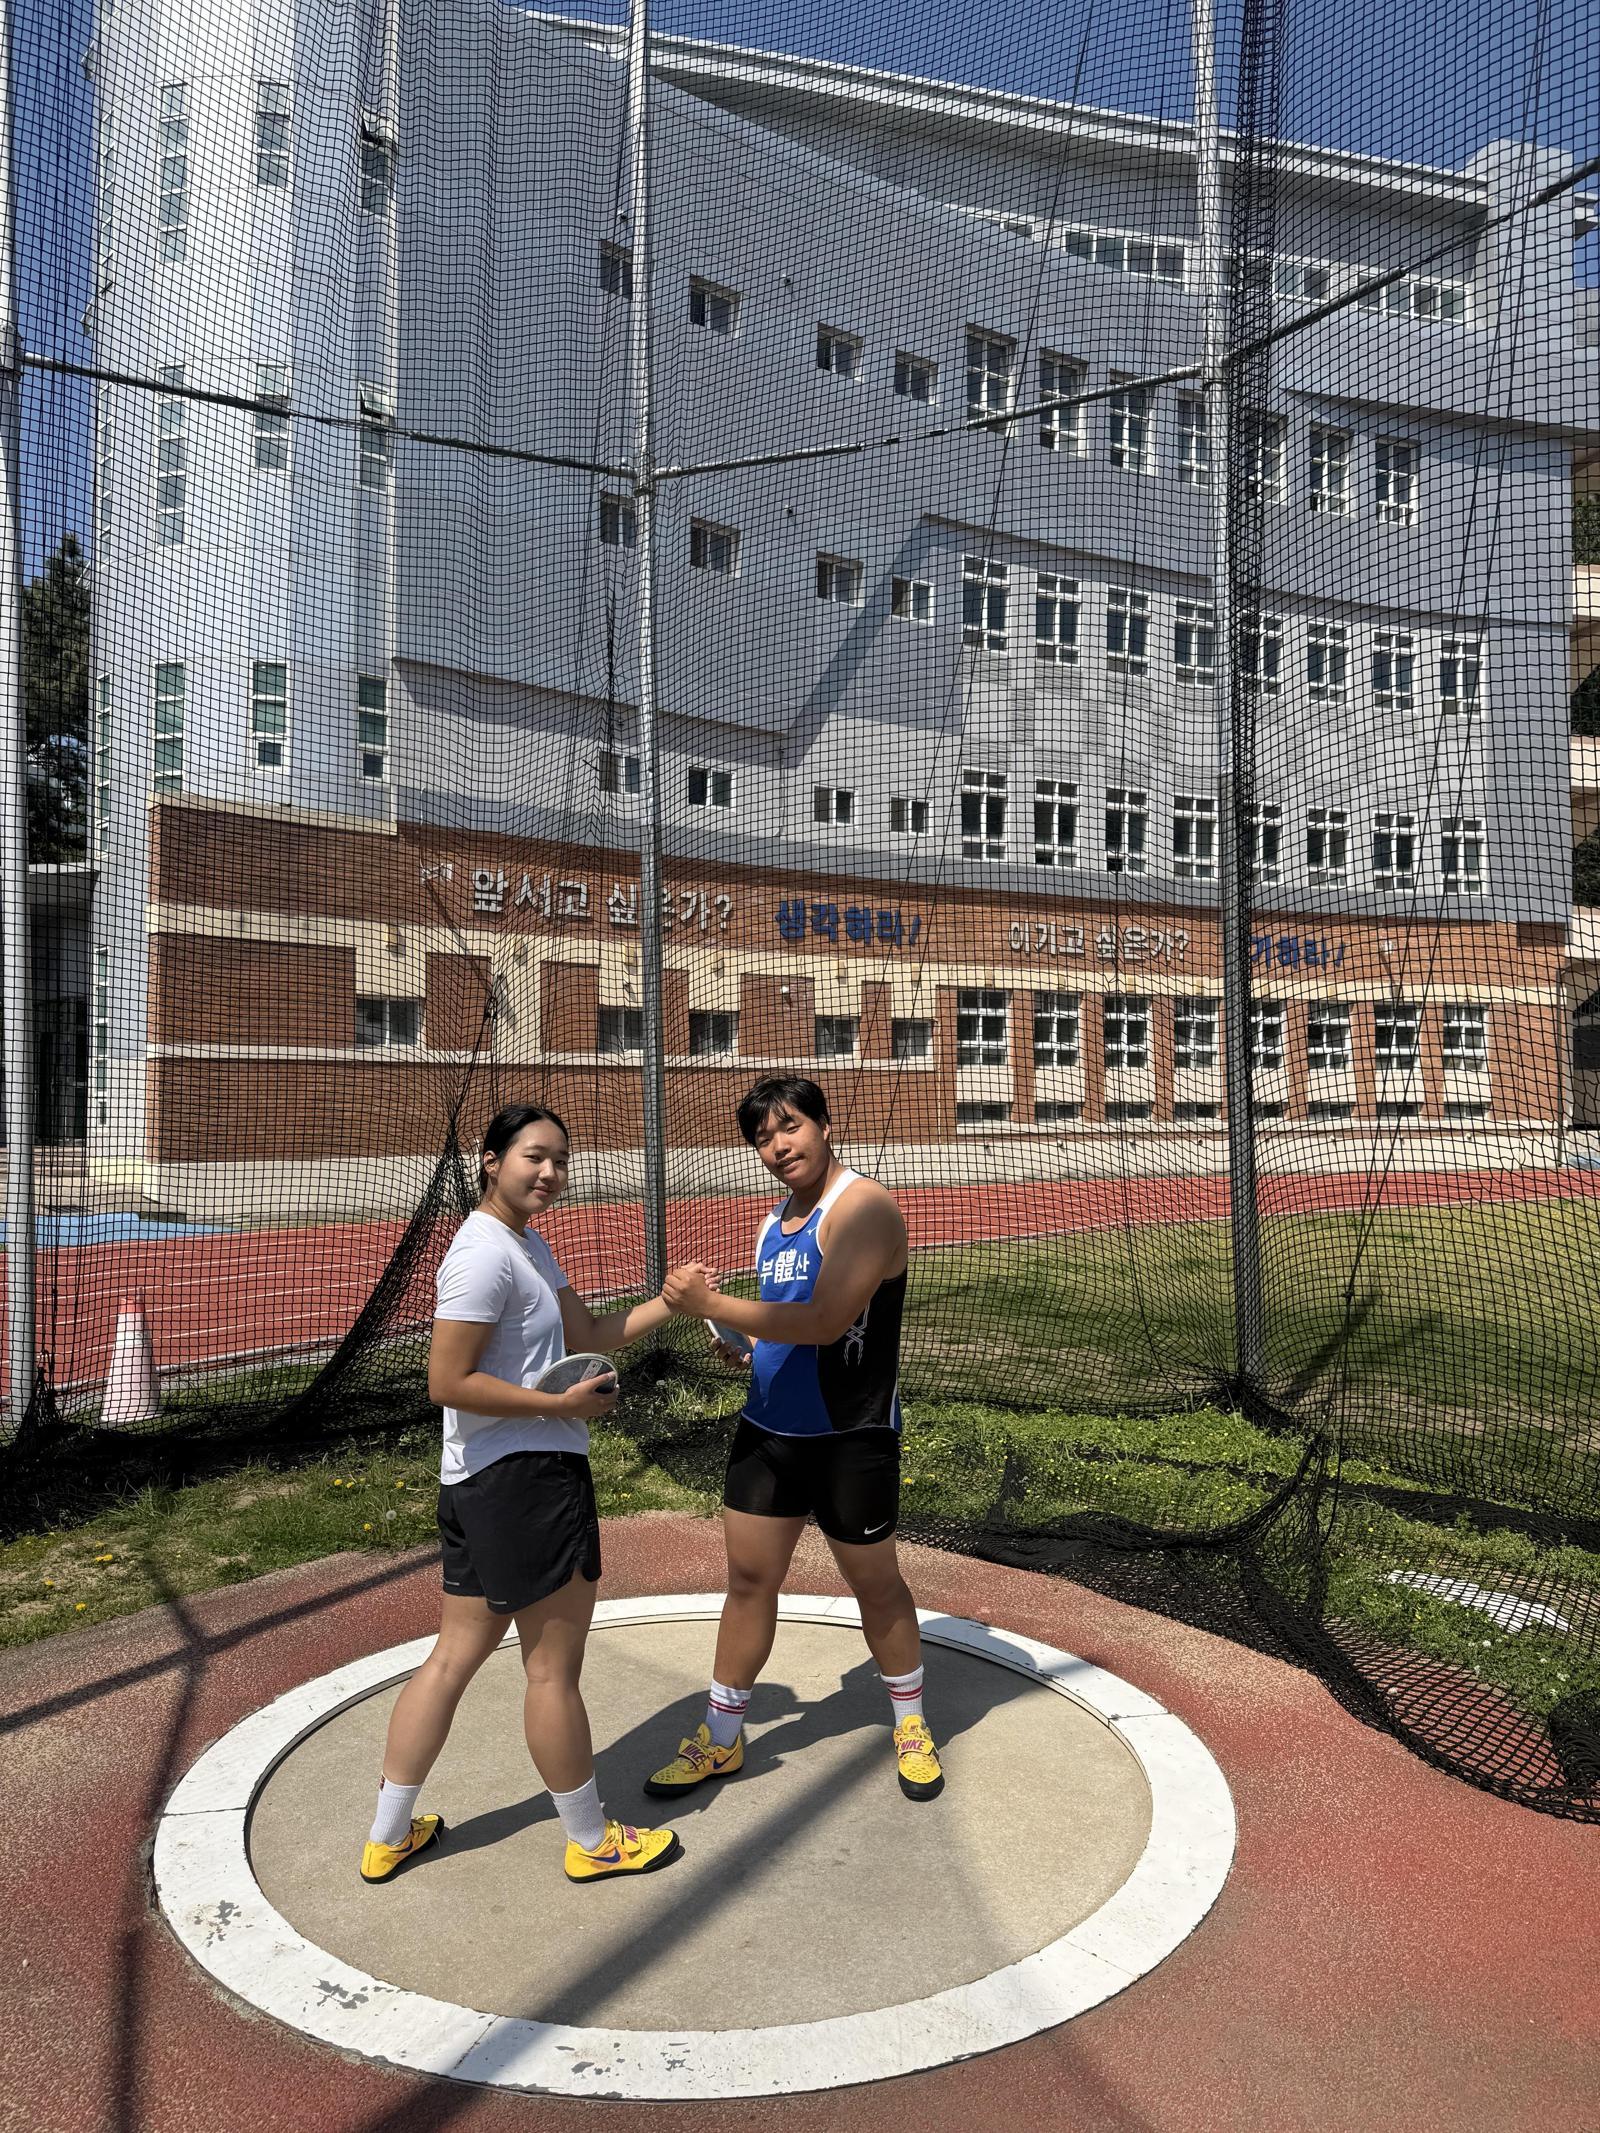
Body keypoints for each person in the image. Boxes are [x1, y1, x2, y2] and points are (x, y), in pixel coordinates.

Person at [359, 1101, 703, 1886]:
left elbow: (588, 1333)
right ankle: (591, 1839)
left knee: (454, 1655)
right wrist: (559, 1406)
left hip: (484, 1483)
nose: (549, 1172)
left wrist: (672, 1304)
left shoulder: (527, 1244)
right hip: (525, 1483)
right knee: (551, 1672)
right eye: (532, 1156)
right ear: (490, 1160)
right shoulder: (481, 1254)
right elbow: (448, 1381)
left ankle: (388, 1833)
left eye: (559, 1160)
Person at [646, 1075, 942, 1804]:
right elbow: (783, 1323)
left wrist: (710, 1301)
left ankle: (910, 1723)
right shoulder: (775, 1219)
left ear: (825, 1124)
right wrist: (742, 1339)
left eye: (789, 1128)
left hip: (851, 1434)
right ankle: (721, 1739)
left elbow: (824, 1322)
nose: (777, 1146)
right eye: (761, 1138)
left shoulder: (865, 1208)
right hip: (768, 1430)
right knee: (748, 1582)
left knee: (875, 1583)